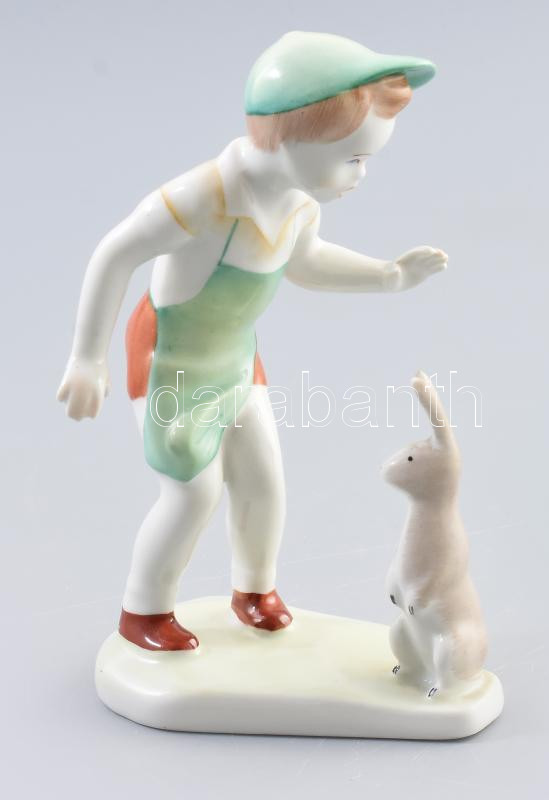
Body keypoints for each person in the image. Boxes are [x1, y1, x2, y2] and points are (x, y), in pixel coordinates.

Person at [57, 31, 448, 651]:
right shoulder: (202, 198)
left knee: (264, 480)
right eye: (352, 158)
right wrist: (86, 358)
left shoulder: (299, 203)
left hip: (237, 359)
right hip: (171, 363)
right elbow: (114, 253)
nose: (362, 174)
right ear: (292, 139)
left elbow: (306, 263)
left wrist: (389, 276)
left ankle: (254, 591)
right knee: (193, 494)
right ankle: (143, 611)